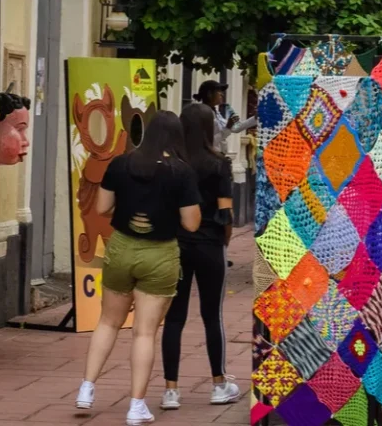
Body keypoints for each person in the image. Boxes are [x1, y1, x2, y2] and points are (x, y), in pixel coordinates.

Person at [77, 112, 201, 425]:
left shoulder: (120, 163)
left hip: (120, 248)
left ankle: (86, 389)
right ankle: (135, 407)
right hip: (160, 254)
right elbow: (191, 223)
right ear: (177, 138)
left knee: (107, 322)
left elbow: (102, 207)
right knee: (145, 333)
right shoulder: (181, 172)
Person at [160, 103, 241, 409]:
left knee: (174, 317)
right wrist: (224, 242)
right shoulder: (218, 163)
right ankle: (219, 384)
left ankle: (170, 391)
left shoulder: (171, 163)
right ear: (209, 128)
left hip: (176, 245)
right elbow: (226, 212)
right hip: (209, 244)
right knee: (212, 315)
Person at [195, 80, 256, 149]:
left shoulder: (216, 112)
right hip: (210, 157)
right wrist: (227, 128)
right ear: (209, 94)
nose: (222, 94)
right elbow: (208, 142)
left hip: (219, 156)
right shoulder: (202, 113)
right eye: (219, 91)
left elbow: (235, 128)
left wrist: (255, 118)